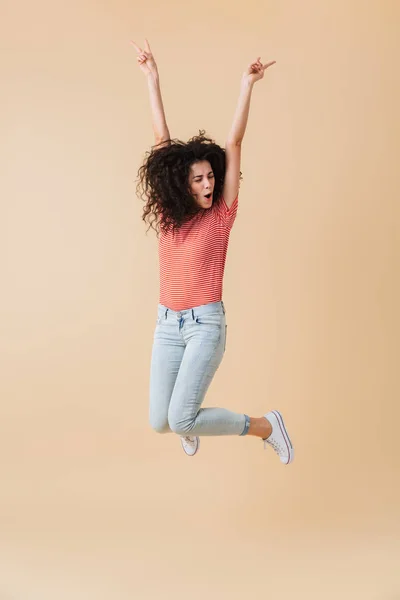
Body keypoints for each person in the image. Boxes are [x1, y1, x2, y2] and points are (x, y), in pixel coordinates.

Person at [132, 38, 294, 464]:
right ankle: (188, 422)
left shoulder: (221, 214)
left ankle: (265, 425)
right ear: (182, 185)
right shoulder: (170, 216)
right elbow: (161, 139)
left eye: (210, 177)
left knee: (181, 418)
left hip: (205, 324)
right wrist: (152, 77)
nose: (207, 185)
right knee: (158, 420)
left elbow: (234, 144)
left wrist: (247, 85)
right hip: (167, 323)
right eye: (198, 180)